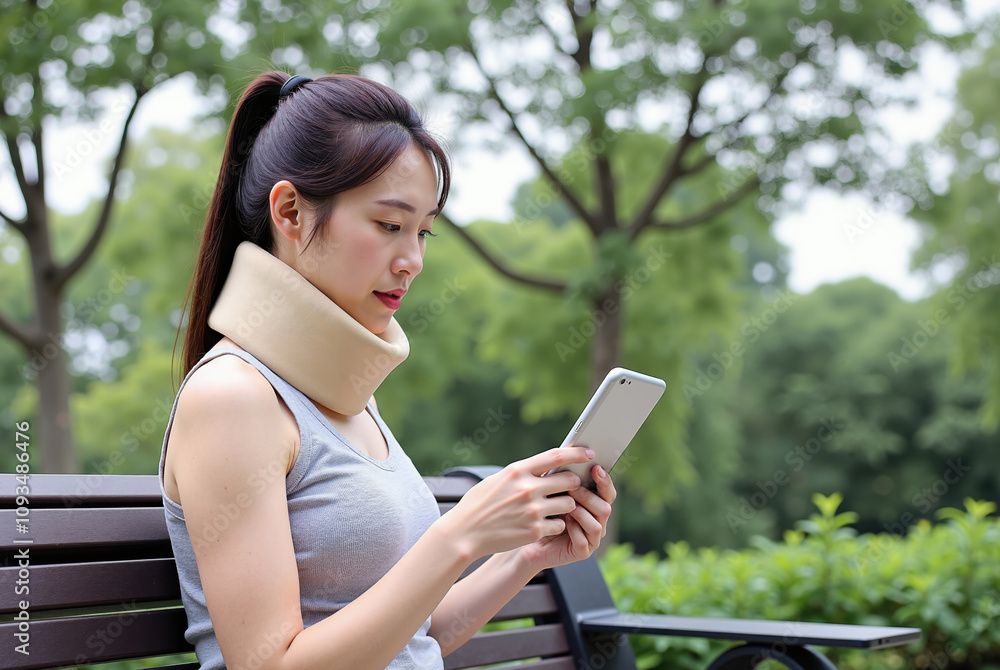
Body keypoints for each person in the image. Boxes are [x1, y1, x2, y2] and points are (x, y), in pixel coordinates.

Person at [158, 71, 617, 670]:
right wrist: (458, 539)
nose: (414, 261)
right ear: (290, 211)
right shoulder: (232, 398)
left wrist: (523, 557)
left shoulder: (347, 398)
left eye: (423, 232)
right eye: (390, 225)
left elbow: (409, 642)